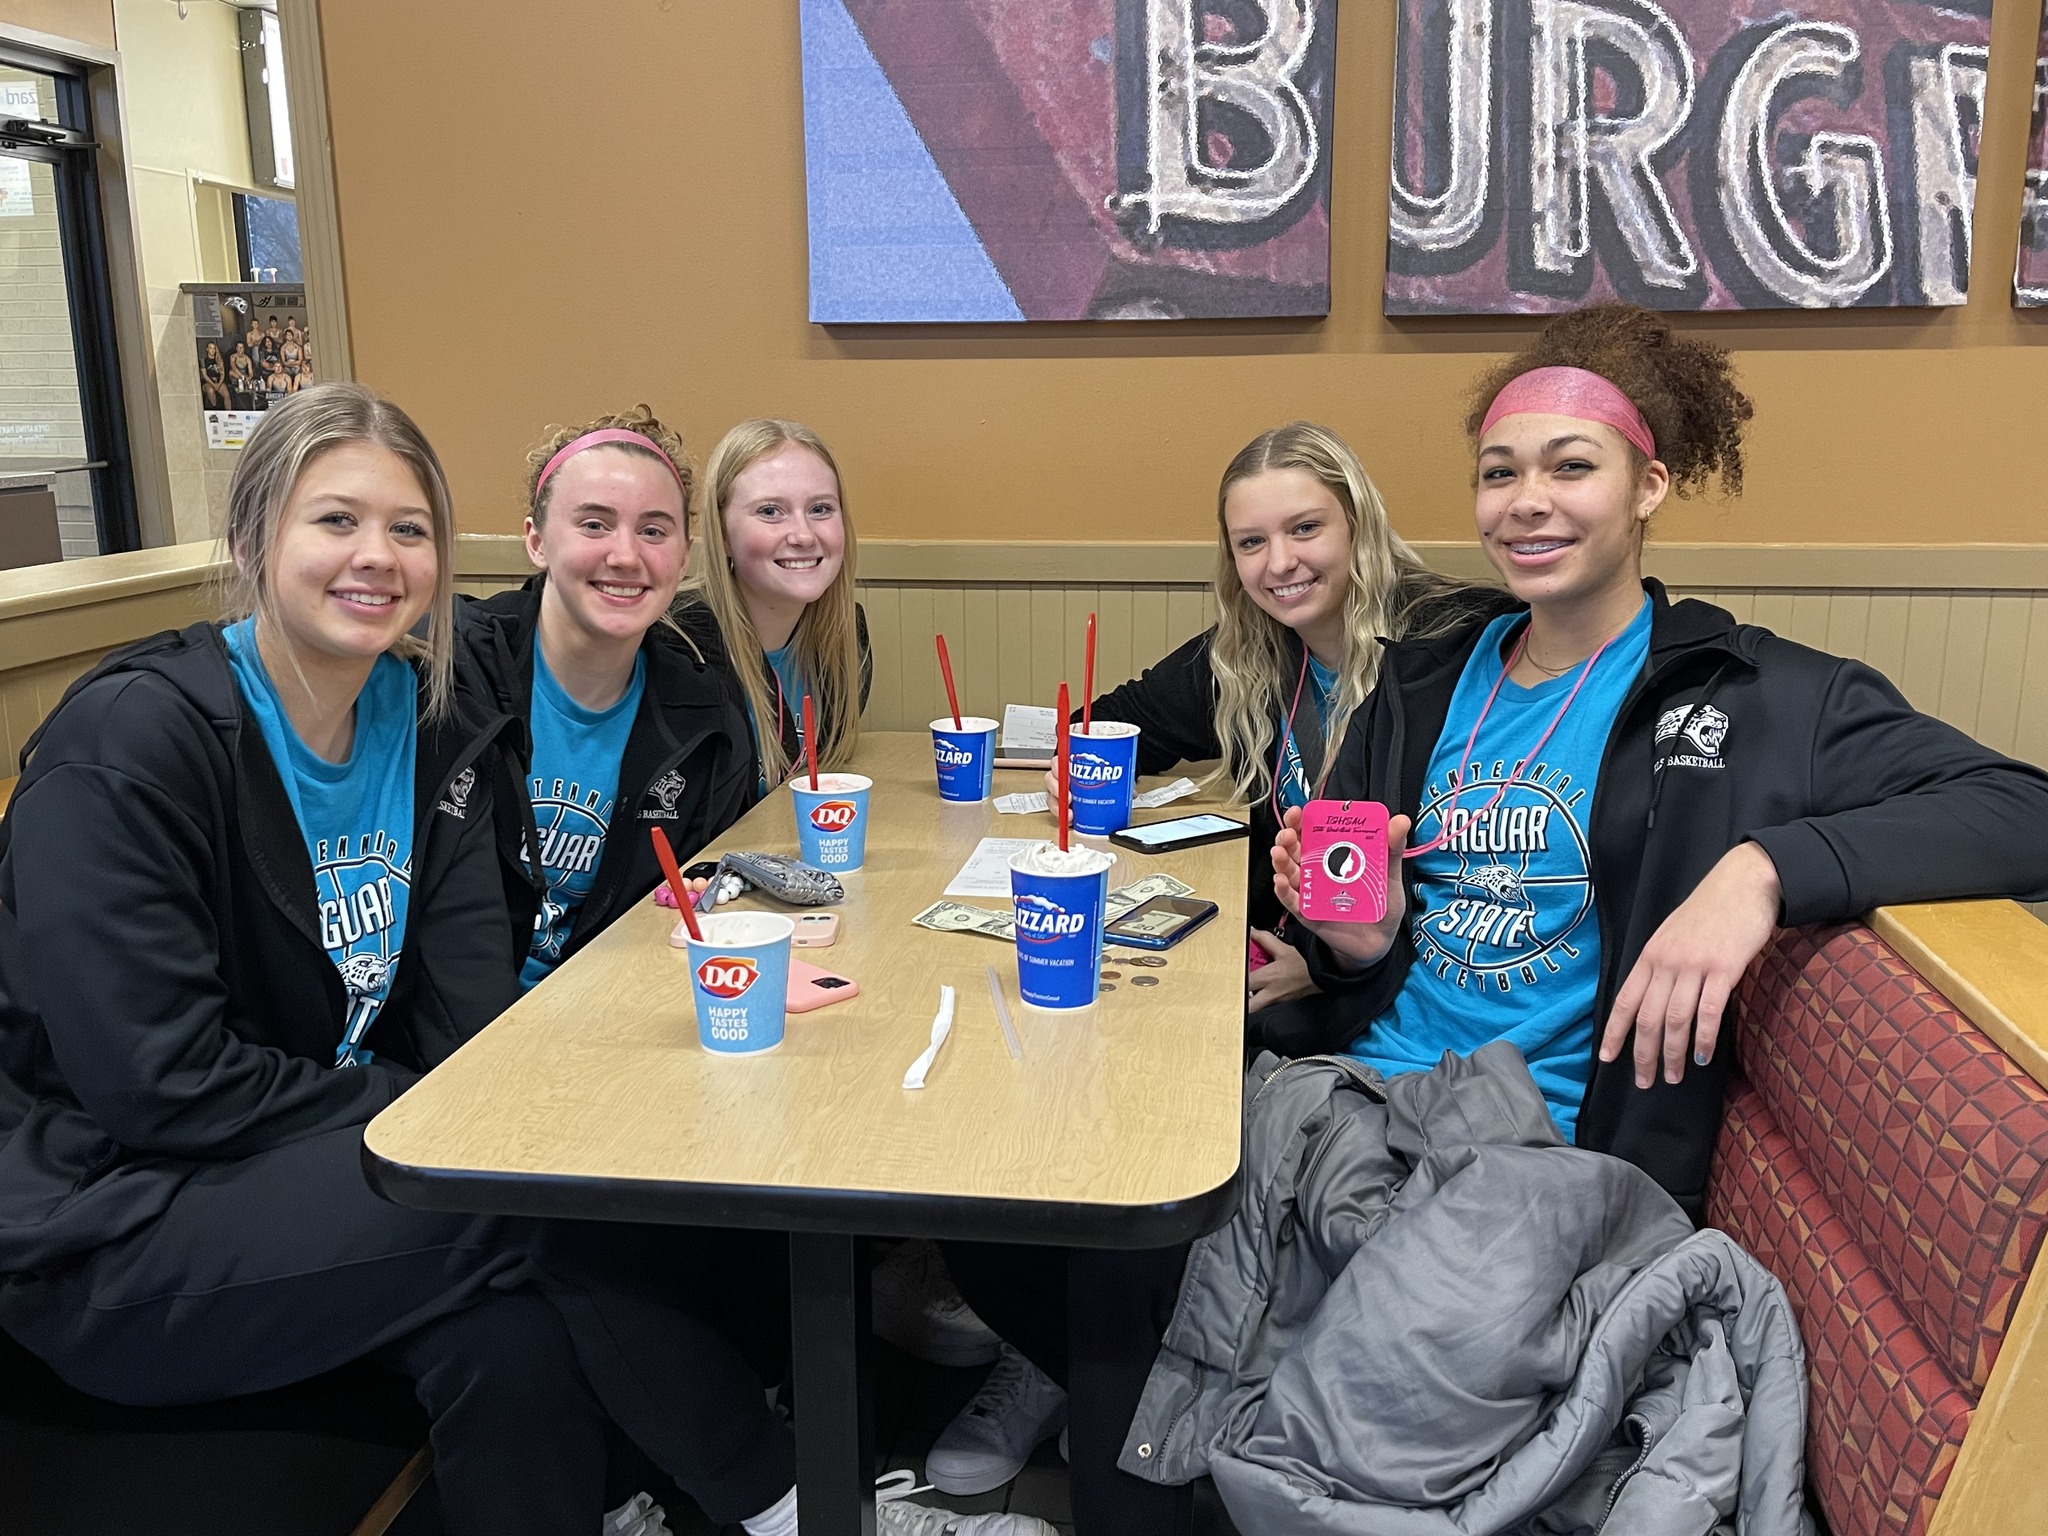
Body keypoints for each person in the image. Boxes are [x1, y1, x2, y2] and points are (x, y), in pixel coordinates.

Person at [0, 384, 960, 1536]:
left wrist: (458, 1099)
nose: (376, 555)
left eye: (407, 528)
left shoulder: (430, 717)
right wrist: (422, 1113)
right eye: (336, 520)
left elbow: (470, 1027)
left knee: (519, 1351)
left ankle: (695, 1498)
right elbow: (159, 1084)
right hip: (110, 1223)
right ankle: (798, 1508)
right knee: (528, 1198)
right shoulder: (133, 739)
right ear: (252, 538)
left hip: (316, 1165)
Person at [1272, 301, 2048, 1213]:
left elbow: (2022, 807)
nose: (1526, 500)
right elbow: (1352, 961)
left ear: (1649, 487)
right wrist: (1357, 947)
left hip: (1544, 1153)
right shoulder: (1415, 687)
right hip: (1352, 1095)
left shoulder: (1753, 695)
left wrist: (1761, 872)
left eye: (1571, 466)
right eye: (1499, 472)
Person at [1075, 423, 1479, 1046]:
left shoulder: (1457, 643)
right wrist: (1075, 760)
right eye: (1252, 542)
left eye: (1306, 528)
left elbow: (1485, 876)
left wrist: (1324, 971)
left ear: (1359, 525)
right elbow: (1114, 721)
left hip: (1415, 1001)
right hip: (1302, 956)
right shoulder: (1251, 651)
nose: (1280, 562)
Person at [455, 406, 756, 991]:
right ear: (536, 540)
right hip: (464, 1027)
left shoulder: (709, 722)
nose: (625, 555)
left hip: (612, 1009)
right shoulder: (452, 676)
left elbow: (686, 913)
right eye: (594, 525)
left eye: (654, 530)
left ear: (684, 556)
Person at [675, 419, 870, 791]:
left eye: (821, 509)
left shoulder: (845, 638)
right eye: (769, 511)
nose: (803, 536)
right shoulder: (678, 648)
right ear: (723, 533)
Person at [200, 341, 230, 409]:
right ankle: (215, 408)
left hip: (218, 381)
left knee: (227, 394)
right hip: (208, 382)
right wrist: (213, 384)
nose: (212, 350)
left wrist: (219, 384)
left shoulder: (219, 360)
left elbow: (222, 374)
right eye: (210, 348)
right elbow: (205, 375)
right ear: (207, 349)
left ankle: (229, 411)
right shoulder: (203, 361)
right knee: (211, 390)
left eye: (214, 348)